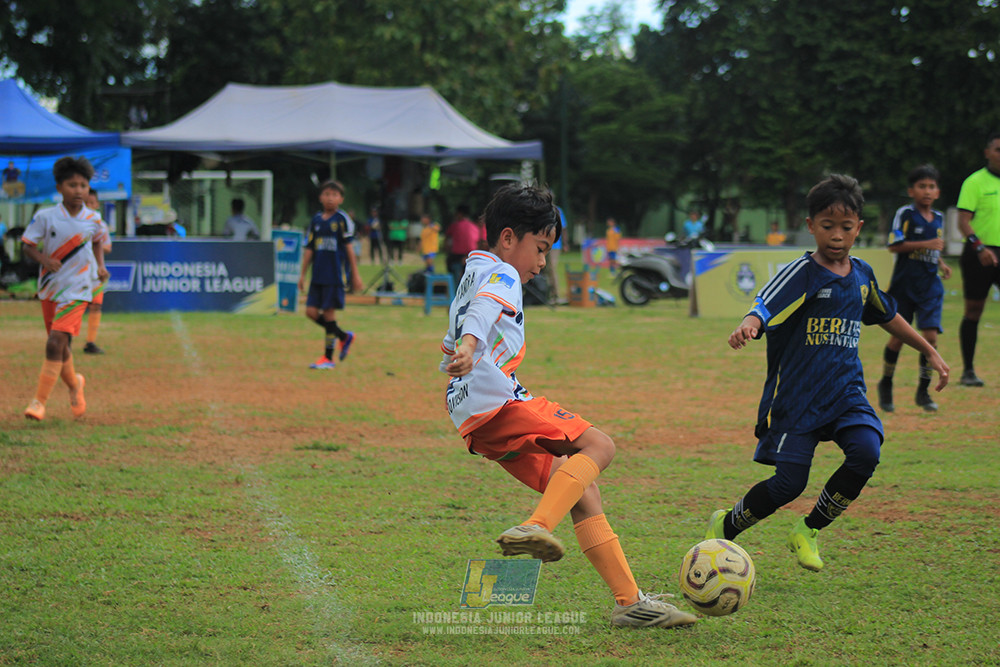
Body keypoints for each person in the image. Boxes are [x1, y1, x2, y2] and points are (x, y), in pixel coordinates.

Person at [440, 183, 697, 628]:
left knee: (581, 489)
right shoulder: (500, 274)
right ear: (507, 238)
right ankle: (537, 525)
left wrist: (461, 347)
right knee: (599, 446)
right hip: (496, 400)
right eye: (539, 248)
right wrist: (468, 344)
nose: (542, 262)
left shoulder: (474, 269)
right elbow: (483, 311)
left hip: (470, 412)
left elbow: (471, 314)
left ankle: (629, 602)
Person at [704, 174, 949, 572]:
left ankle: (809, 528)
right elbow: (765, 301)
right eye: (827, 226)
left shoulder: (862, 275)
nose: (837, 235)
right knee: (789, 485)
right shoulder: (804, 271)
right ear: (810, 226)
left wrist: (928, 350)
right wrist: (750, 322)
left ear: (859, 228)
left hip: (846, 394)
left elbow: (888, 316)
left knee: (867, 452)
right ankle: (726, 523)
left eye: (846, 227)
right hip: (798, 398)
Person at [20, 156, 109, 421]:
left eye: (83, 185)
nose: (79, 190)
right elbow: (27, 246)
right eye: (72, 185)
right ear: (59, 187)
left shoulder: (94, 219)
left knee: (55, 341)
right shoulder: (45, 217)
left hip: (80, 288)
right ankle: (75, 385)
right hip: (50, 288)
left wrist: (100, 266)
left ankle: (39, 402)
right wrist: (44, 259)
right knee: (61, 346)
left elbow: (97, 242)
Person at [877, 165, 951, 413]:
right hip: (904, 286)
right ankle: (886, 383)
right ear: (911, 190)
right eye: (922, 186)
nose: (927, 191)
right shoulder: (905, 214)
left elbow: (933, 248)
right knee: (898, 338)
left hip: (930, 286)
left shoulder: (939, 218)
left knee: (930, 337)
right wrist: (927, 243)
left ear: (938, 191)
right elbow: (894, 245)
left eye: (931, 186)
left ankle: (923, 390)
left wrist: (940, 263)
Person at [297, 180, 362, 370]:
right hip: (317, 275)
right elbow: (309, 249)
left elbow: (349, 248)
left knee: (328, 315)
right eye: (326, 194)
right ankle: (344, 336)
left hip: (334, 276)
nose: (330, 198)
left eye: (334, 195)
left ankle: (328, 358)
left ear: (341, 199)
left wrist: (355, 274)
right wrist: (302, 274)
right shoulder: (316, 220)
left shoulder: (342, 220)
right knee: (310, 312)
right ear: (320, 197)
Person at [955, 131, 1000, 387]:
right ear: (987, 153)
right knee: (974, 310)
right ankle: (968, 370)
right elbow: (963, 221)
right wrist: (980, 247)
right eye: (998, 150)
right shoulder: (975, 182)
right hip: (979, 253)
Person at [83, 188, 113, 355]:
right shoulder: (75, 224)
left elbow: (107, 246)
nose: (90, 206)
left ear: (97, 204)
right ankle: (67, 338)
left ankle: (90, 342)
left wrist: (96, 244)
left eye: (92, 203)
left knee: (96, 306)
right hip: (78, 273)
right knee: (76, 307)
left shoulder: (101, 225)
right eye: (87, 203)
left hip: (95, 272)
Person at [444, 204, 480, 286]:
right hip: (472, 256)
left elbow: (447, 240)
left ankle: (453, 285)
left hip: (457, 256)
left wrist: (447, 250)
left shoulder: (455, 225)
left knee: (449, 262)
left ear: (459, 214)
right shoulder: (474, 226)